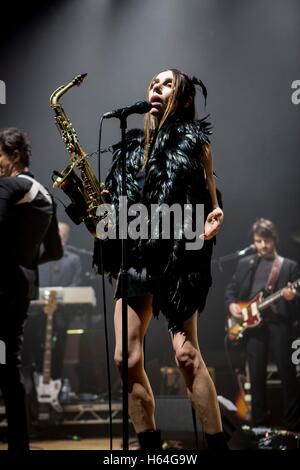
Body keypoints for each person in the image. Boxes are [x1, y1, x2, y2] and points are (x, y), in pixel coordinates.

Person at [94, 69, 226, 449]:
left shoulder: (195, 142)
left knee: (185, 355)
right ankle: (151, 451)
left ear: (183, 98)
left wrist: (215, 216)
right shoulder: (128, 148)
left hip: (179, 253)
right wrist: (100, 213)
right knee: (125, 357)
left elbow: (213, 204)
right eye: (153, 82)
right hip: (135, 251)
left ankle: (217, 447)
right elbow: (112, 218)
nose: (156, 86)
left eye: (167, 83)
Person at [0, 127, 63, 451]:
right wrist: (25, 259)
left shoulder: (8, 186)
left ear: (12, 156)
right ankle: (19, 445)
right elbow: (55, 251)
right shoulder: (46, 193)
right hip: (22, 289)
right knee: (10, 367)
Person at [225, 218, 300, 431]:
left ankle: (293, 427)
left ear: (274, 240)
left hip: (279, 325)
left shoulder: (288, 266)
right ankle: (259, 426)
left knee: (288, 375)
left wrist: (291, 296)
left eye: (266, 241)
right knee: (256, 377)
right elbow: (230, 289)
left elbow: (297, 300)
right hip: (251, 326)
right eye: (258, 241)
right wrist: (232, 306)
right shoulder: (245, 264)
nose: (263, 246)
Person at [39, 221, 82, 287]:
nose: (59, 236)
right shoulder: (41, 257)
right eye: (56, 233)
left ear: (66, 236)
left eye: (63, 234)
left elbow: (77, 280)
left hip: (68, 295)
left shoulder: (73, 259)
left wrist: (68, 293)